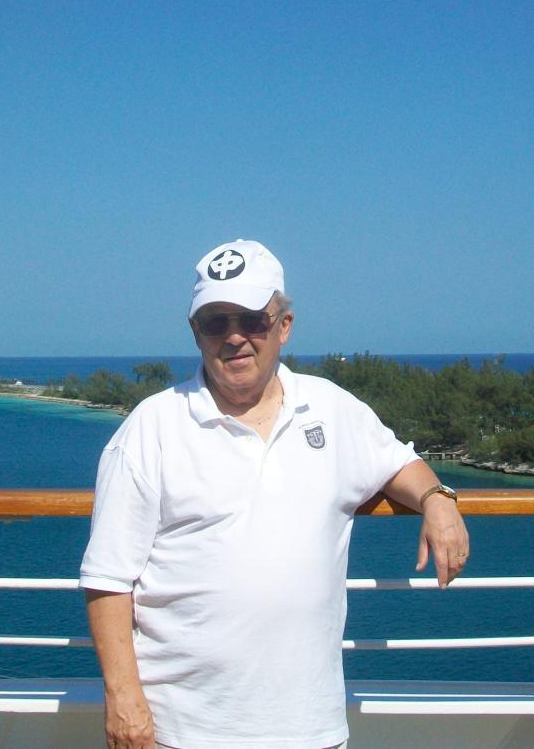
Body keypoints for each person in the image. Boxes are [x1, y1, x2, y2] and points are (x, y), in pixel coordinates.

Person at [80, 239, 469, 749]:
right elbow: (109, 577)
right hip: (184, 730)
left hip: (311, 729)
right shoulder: (150, 429)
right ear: (196, 333)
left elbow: (399, 461)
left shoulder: (330, 408)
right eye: (216, 322)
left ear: (283, 326)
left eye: (252, 320)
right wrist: (123, 699)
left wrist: (439, 499)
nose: (235, 337)